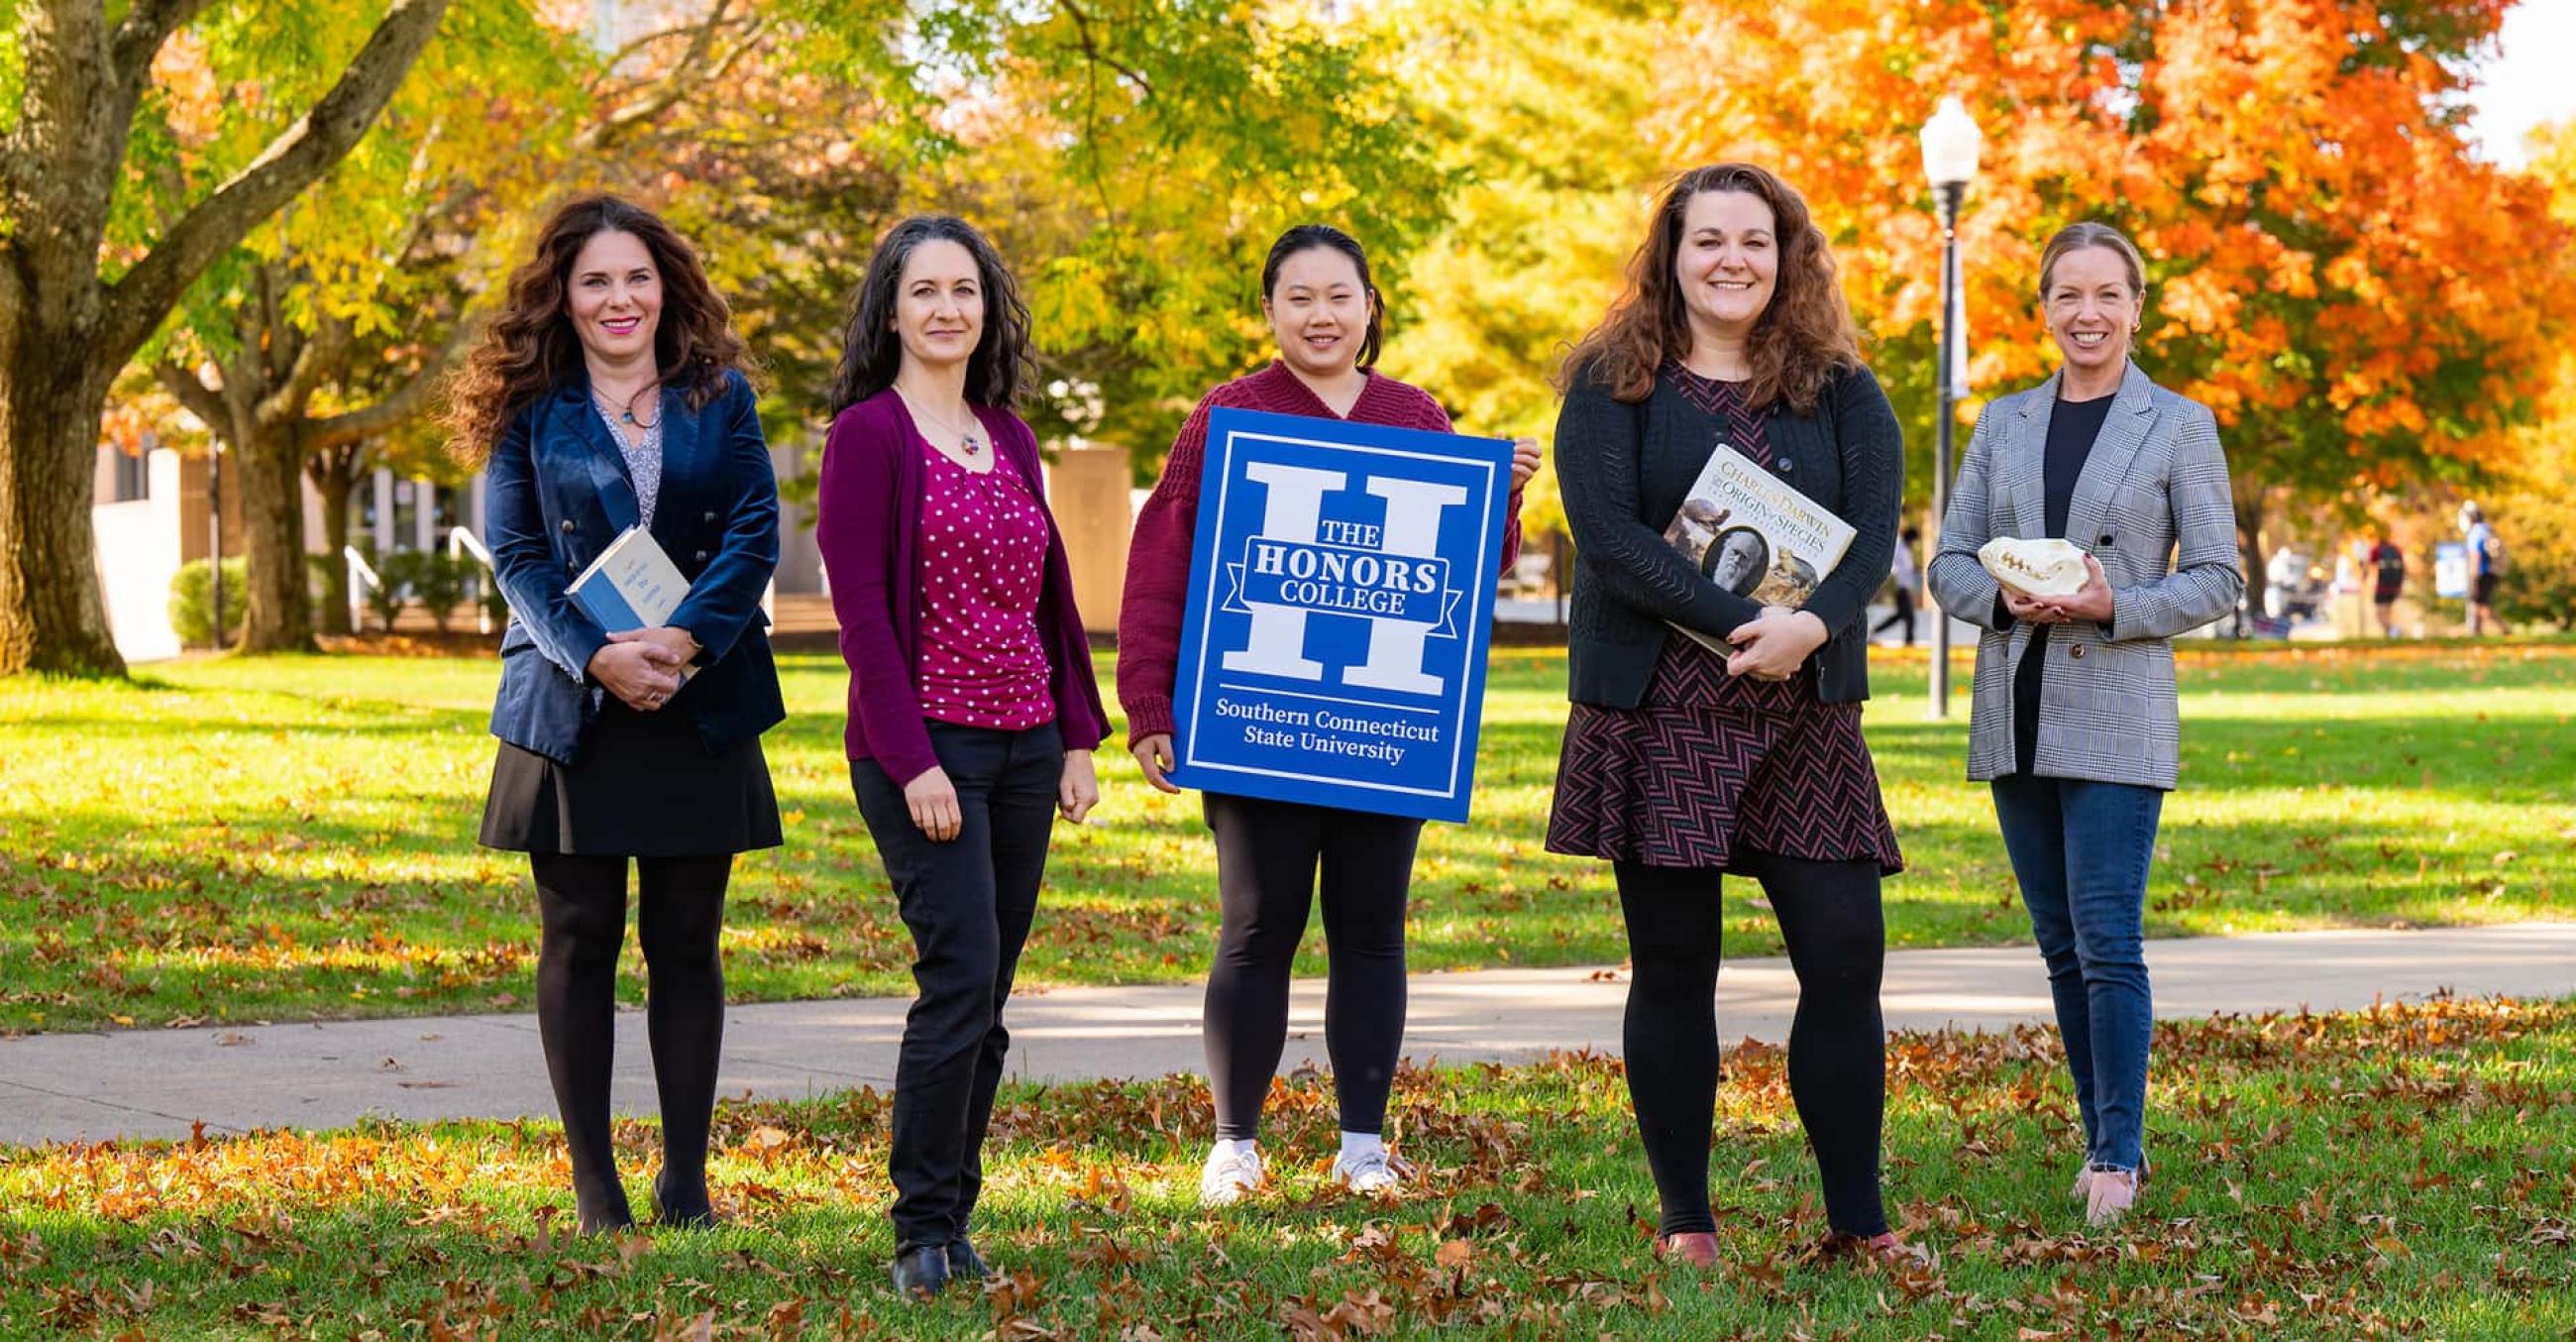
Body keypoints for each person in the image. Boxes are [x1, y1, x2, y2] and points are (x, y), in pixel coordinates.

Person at [1119, 224, 1540, 1208]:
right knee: (1255, 927)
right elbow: (1160, 572)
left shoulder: (1416, 414)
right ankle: (1234, 1143)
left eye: (1338, 296)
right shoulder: (1226, 413)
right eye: (1298, 297)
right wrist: (1148, 704)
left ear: (1368, 308)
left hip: (1383, 722)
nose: (1320, 314)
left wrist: (1503, 501)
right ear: (1269, 312)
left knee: (1369, 931)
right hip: (1254, 715)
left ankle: (1360, 1143)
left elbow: (1463, 572)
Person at [1543, 164, 1908, 1267]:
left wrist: (1809, 628)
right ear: (1670, 254)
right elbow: (1607, 537)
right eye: (1707, 240)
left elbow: (1874, 538)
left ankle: (1857, 1219)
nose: (1731, 260)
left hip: (1799, 705)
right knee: (1672, 963)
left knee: (1845, 956)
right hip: (1660, 710)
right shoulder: (1610, 384)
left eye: (1754, 240)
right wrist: (1739, 616)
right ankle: (1687, 1222)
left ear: (1787, 256)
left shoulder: (1843, 390)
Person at [450, 194, 784, 1234]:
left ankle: (686, 1181)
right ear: (562, 296)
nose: (618, 298)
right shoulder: (528, 410)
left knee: (688, 936)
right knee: (579, 934)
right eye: (594, 280)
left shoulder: (718, 397)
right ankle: (597, 1186)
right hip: (571, 705)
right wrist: (599, 655)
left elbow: (755, 532)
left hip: (698, 694)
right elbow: (517, 559)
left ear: (665, 286)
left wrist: (678, 644)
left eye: (635, 276)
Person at [1924, 221, 2242, 1228]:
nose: (2086, 313)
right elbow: (1947, 562)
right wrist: (1998, 598)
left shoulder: (2178, 423)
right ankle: (2093, 1130)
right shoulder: (2002, 424)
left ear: (2136, 307)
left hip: (2114, 704)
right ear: (2043, 308)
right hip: (2014, 709)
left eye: (2107, 294)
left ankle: (2118, 1151)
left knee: (2108, 938)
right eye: (2067, 294)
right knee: (2058, 943)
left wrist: (2116, 603)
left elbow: (2218, 577)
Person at [814, 216, 1108, 1298]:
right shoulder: (868, 437)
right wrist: (911, 763)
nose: (947, 308)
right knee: (957, 977)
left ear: (988, 309)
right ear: (888, 307)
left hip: (1025, 745)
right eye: (925, 289)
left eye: (966, 290)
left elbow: (1053, 601)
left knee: (988, 989)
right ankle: (917, 1231)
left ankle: (954, 1219)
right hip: (927, 748)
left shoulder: (1009, 435)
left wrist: (1075, 734)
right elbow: (863, 626)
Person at [2461, 503, 2509, 636]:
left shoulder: (2475, 532)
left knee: (2478, 603)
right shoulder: (2486, 529)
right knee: (2480, 603)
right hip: (2492, 571)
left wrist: (2473, 576)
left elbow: (2475, 555)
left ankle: (2501, 628)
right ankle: (2478, 631)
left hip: (2482, 572)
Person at [1873, 525, 1922, 646]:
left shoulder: (1906, 549)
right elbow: (1894, 565)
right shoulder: (1898, 547)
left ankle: (1874, 631)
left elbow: (1906, 567)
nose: (1914, 543)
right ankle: (1909, 641)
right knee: (1909, 616)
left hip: (1904, 586)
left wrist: (1914, 570)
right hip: (1899, 586)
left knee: (1901, 615)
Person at [1704, 526, 1770, 596]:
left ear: (1752, 564)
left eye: (1744, 557)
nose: (1736, 560)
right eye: (1735, 552)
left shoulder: (1746, 595)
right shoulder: (1704, 569)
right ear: (1726, 546)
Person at [2369, 531, 2406, 638]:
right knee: (2387, 611)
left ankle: (2393, 631)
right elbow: (2403, 567)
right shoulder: (2396, 550)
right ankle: (2391, 634)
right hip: (2394, 586)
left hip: (2382, 586)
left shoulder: (2376, 550)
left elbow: (2371, 566)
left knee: (2379, 613)